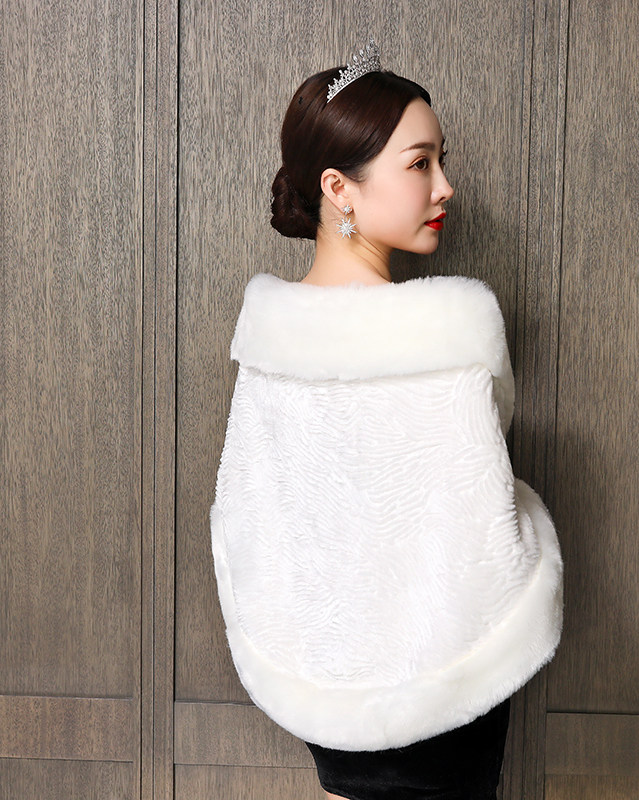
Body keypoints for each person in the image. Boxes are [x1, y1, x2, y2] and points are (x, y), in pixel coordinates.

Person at [210, 40, 563, 800]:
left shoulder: (269, 348)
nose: (445, 186)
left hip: (321, 694)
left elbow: (246, 527)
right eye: (419, 163)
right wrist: (535, 527)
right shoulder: (448, 339)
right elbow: (483, 543)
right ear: (339, 187)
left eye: (441, 160)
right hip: (450, 694)